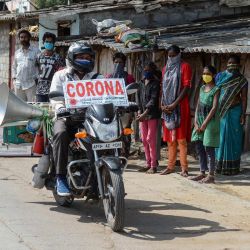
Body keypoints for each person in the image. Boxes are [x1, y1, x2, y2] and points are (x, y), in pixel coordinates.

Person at [50, 43, 103, 196]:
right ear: (72, 58)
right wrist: (60, 108)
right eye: (81, 57)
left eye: (88, 57)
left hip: (91, 119)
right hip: (67, 117)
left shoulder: (97, 77)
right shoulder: (60, 76)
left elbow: (108, 96)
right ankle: (60, 178)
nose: (85, 60)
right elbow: (55, 96)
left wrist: (121, 103)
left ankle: (106, 175)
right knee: (60, 133)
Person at [160, 45, 192, 177]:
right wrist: (162, 104)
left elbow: (186, 87)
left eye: (174, 55)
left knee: (181, 140)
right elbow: (163, 88)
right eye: (170, 56)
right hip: (167, 107)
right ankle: (170, 166)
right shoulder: (165, 69)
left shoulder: (185, 67)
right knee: (170, 140)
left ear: (179, 55)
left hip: (180, 107)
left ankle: (184, 168)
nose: (171, 58)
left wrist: (174, 104)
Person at [216, 55, 248, 175]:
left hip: (235, 111)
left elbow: (244, 98)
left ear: (238, 65)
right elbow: (215, 93)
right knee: (220, 138)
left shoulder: (242, 80)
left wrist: (243, 114)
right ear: (226, 64)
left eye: (234, 63)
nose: (231, 65)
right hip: (221, 112)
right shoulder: (220, 76)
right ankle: (218, 166)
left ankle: (232, 167)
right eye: (229, 63)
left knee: (234, 138)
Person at [190, 66, 220, 183]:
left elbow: (214, 108)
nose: (205, 75)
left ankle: (211, 175)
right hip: (200, 120)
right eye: (203, 73)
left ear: (213, 75)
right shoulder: (202, 88)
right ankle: (202, 172)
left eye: (207, 73)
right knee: (199, 146)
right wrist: (196, 122)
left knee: (209, 148)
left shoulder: (216, 89)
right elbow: (197, 106)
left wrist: (204, 124)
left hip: (210, 122)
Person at [106, 52, 135, 157]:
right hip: (112, 110)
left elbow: (132, 94)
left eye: (120, 62)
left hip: (126, 110)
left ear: (124, 64)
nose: (118, 64)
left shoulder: (129, 77)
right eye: (116, 62)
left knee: (125, 133)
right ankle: (113, 154)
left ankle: (125, 154)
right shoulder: (109, 77)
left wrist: (130, 110)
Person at [137, 62, 161, 174]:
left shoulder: (155, 83)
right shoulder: (141, 83)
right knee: (144, 140)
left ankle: (154, 165)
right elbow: (138, 98)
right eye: (145, 70)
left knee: (150, 139)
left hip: (151, 115)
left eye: (148, 70)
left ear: (152, 71)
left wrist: (144, 113)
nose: (146, 72)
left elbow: (153, 100)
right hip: (142, 115)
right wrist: (138, 112)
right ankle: (148, 163)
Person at [36, 32, 65, 102]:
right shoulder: (38, 56)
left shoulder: (58, 57)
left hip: (53, 89)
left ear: (53, 43)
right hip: (40, 90)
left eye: (50, 42)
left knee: (52, 110)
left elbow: (62, 72)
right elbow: (35, 71)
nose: (48, 43)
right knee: (41, 110)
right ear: (43, 42)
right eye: (47, 41)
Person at [12, 29, 40, 102]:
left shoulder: (36, 51)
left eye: (25, 37)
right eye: (21, 37)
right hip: (18, 85)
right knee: (19, 106)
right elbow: (14, 67)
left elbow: (40, 66)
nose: (23, 39)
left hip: (31, 84)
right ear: (19, 39)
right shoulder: (17, 52)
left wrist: (37, 78)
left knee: (32, 106)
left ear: (29, 38)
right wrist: (14, 79)